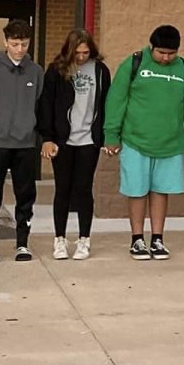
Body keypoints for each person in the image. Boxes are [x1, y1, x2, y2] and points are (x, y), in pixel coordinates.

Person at [103, 24, 184, 262]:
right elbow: (116, 100)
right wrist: (111, 136)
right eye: (161, 53)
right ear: (151, 47)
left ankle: (157, 239)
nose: (166, 58)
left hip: (170, 142)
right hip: (135, 140)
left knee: (160, 191)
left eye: (171, 53)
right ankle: (137, 239)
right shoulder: (134, 63)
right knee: (137, 190)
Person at [0, 19, 44, 264]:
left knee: (25, 195)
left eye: (24, 44)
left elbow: (39, 106)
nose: (20, 49)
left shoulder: (35, 71)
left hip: (25, 144)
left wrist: (39, 137)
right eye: (15, 44)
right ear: (5, 42)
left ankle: (22, 243)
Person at [39, 29, 110, 262]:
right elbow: (46, 105)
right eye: (77, 52)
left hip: (88, 139)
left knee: (83, 190)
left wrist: (107, 136)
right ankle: (59, 240)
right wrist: (47, 137)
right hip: (63, 140)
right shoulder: (57, 71)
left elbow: (106, 104)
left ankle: (84, 240)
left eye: (86, 52)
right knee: (62, 190)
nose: (81, 57)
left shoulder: (100, 71)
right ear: (69, 51)